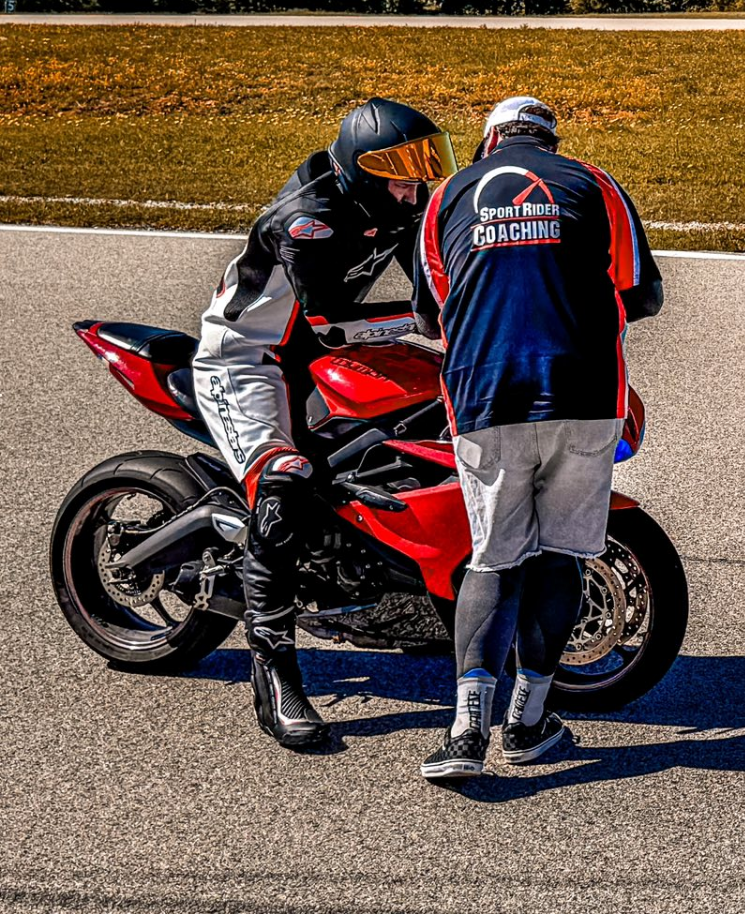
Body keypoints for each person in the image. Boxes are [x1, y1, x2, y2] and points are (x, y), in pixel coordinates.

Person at [192, 98, 455, 749]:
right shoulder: (306, 220)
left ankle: (421, 604)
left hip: (323, 356)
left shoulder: (397, 206)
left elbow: (431, 292)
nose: (413, 184)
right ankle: (276, 675)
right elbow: (328, 318)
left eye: (421, 168)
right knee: (285, 486)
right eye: (399, 171)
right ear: (360, 171)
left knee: (425, 425)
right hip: (250, 359)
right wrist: (432, 328)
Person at [415, 96, 663, 780]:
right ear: (551, 141)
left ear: (490, 140)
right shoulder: (595, 183)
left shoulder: (445, 199)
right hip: (582, 392)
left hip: (485, 394)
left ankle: (466, 731)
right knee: (561, 556)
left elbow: (431, 315)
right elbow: (643, 295)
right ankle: (527, 721)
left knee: (493, 560)